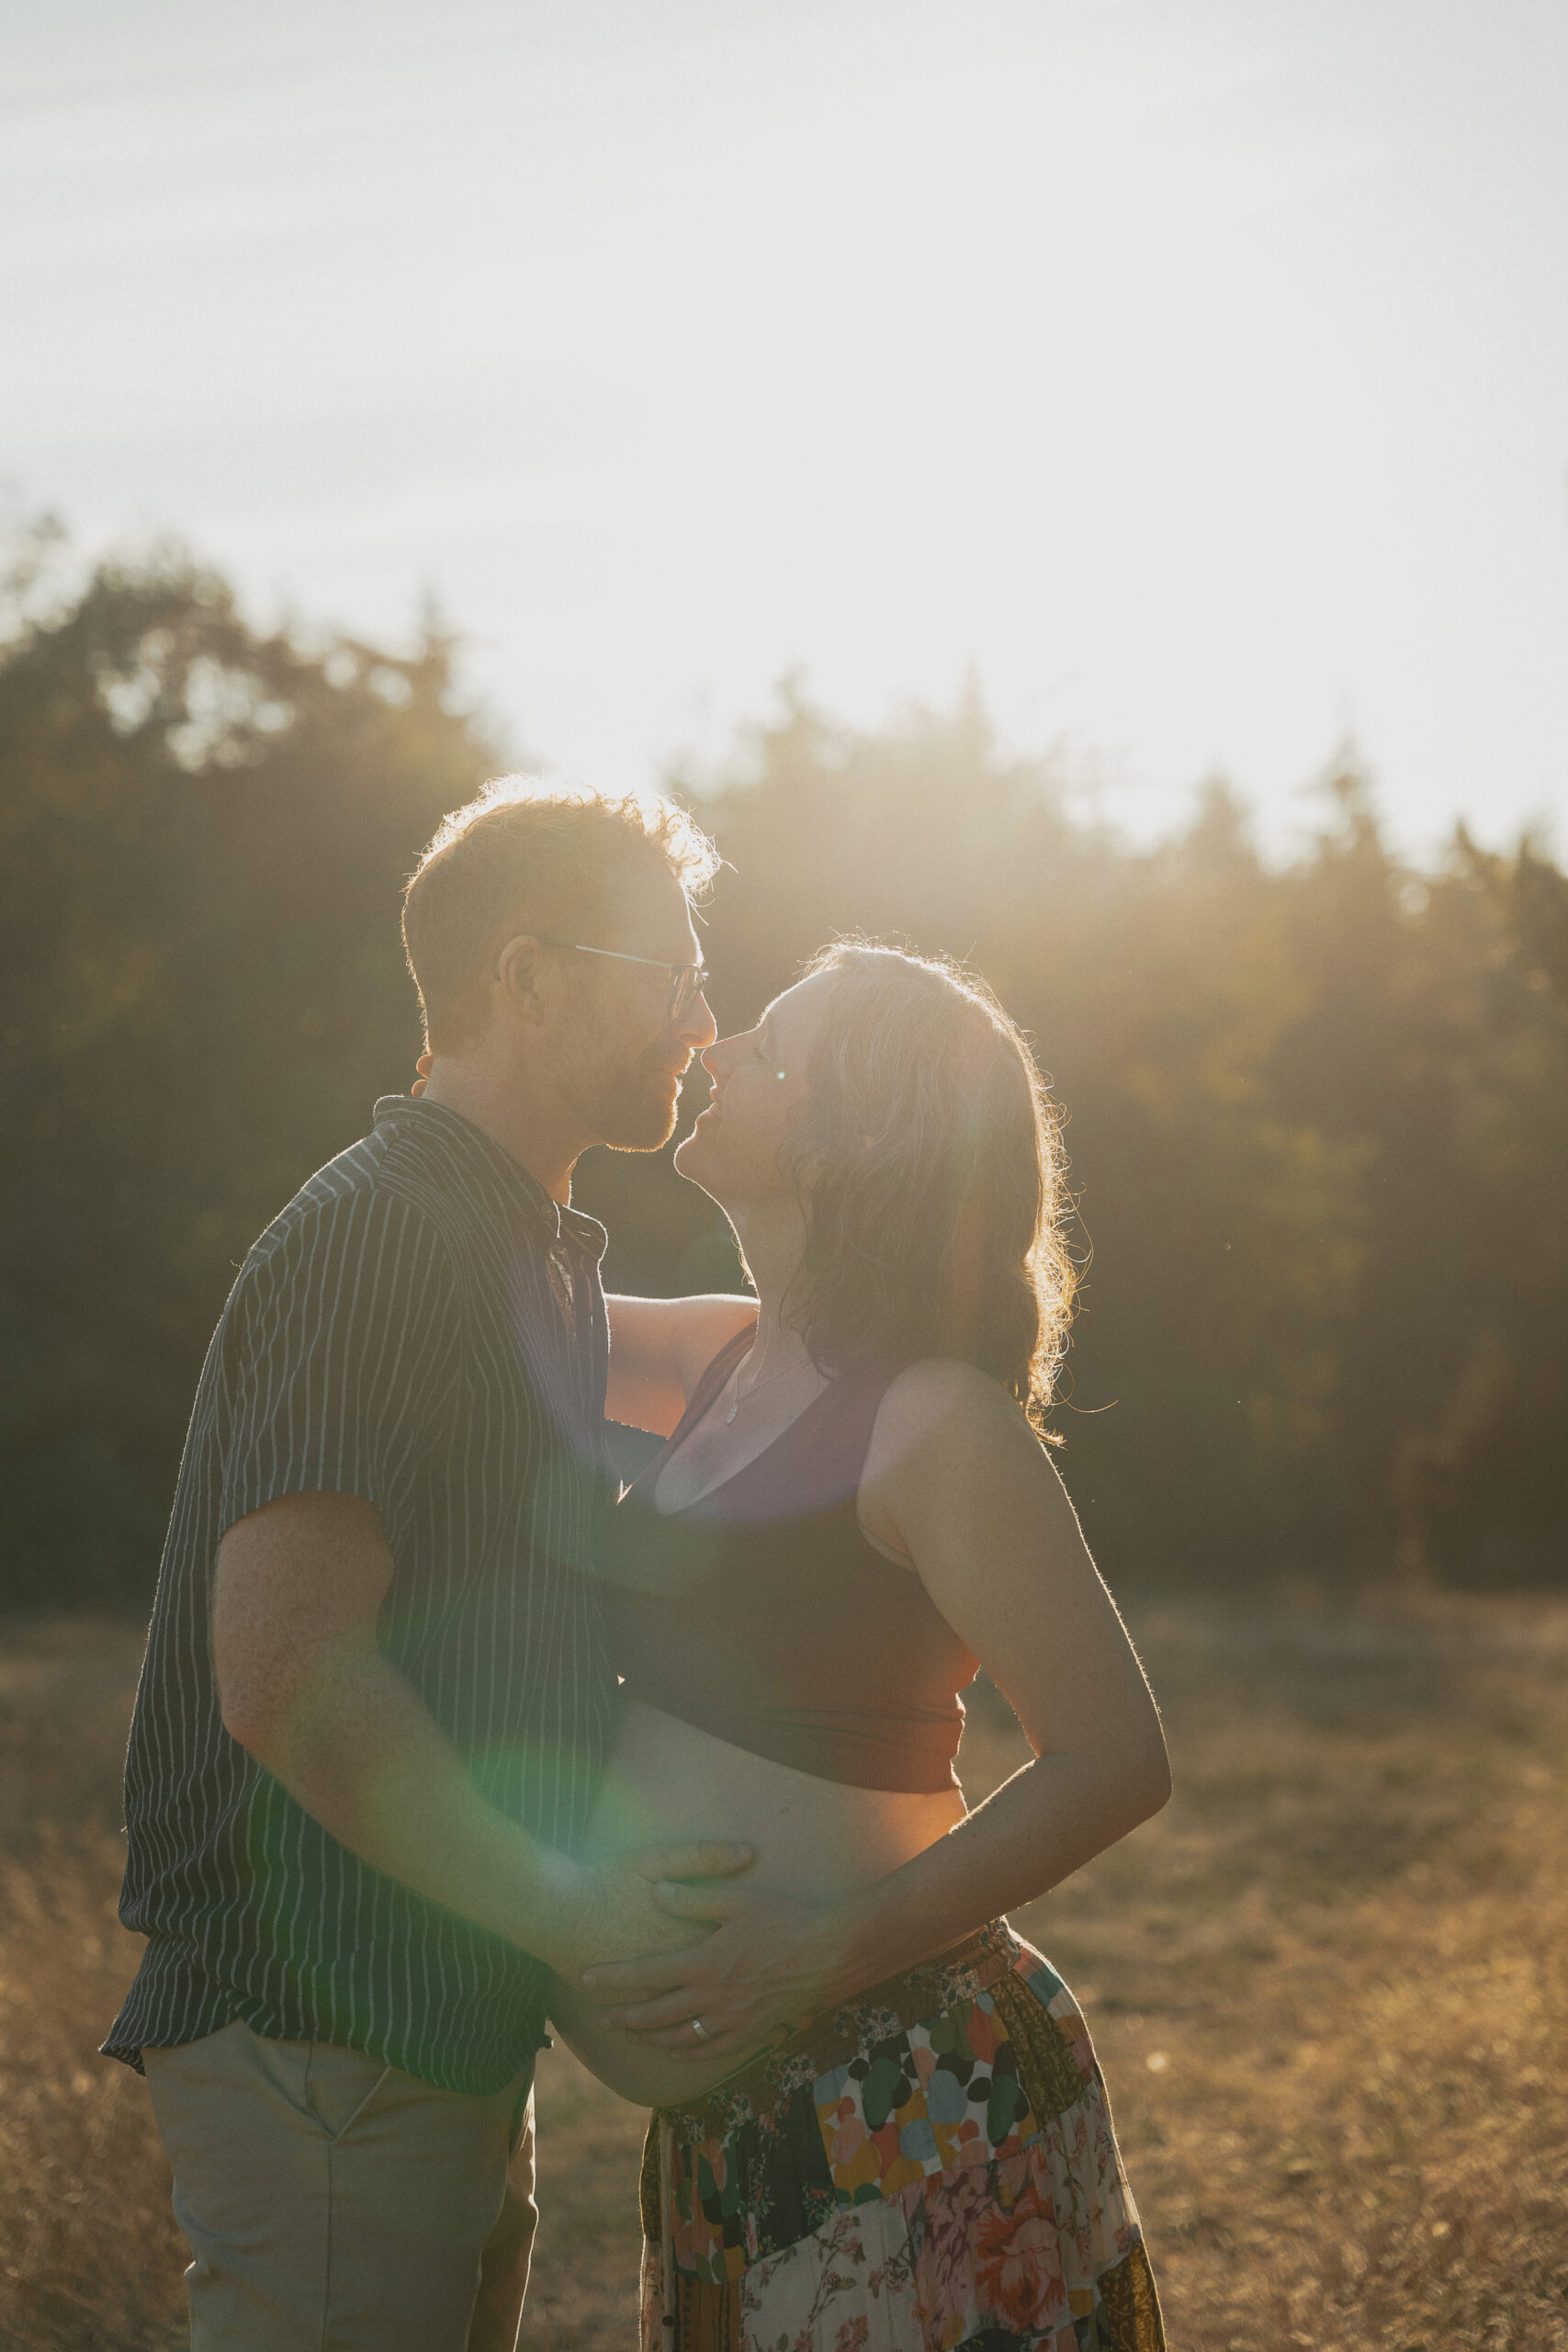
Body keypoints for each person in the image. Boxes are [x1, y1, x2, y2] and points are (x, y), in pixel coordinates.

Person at [104, 777, 763, 2352]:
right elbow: (285, 1674)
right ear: (526, 981)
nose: (703, 1026)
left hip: (427, 2024)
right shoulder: (387, 1235)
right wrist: (573, 1907)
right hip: (323, 2037)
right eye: (671, 980)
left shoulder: (521, 1248)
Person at [548, 941, 1171, 2348]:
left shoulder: (935, 1421)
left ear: (858, 1140)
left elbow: (1117, 1759)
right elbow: (485, 1312)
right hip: (738, 2121)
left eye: (769, 1046)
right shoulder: (719, 1355)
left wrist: (816, 1954)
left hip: (915, 2092)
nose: (717, 1052)